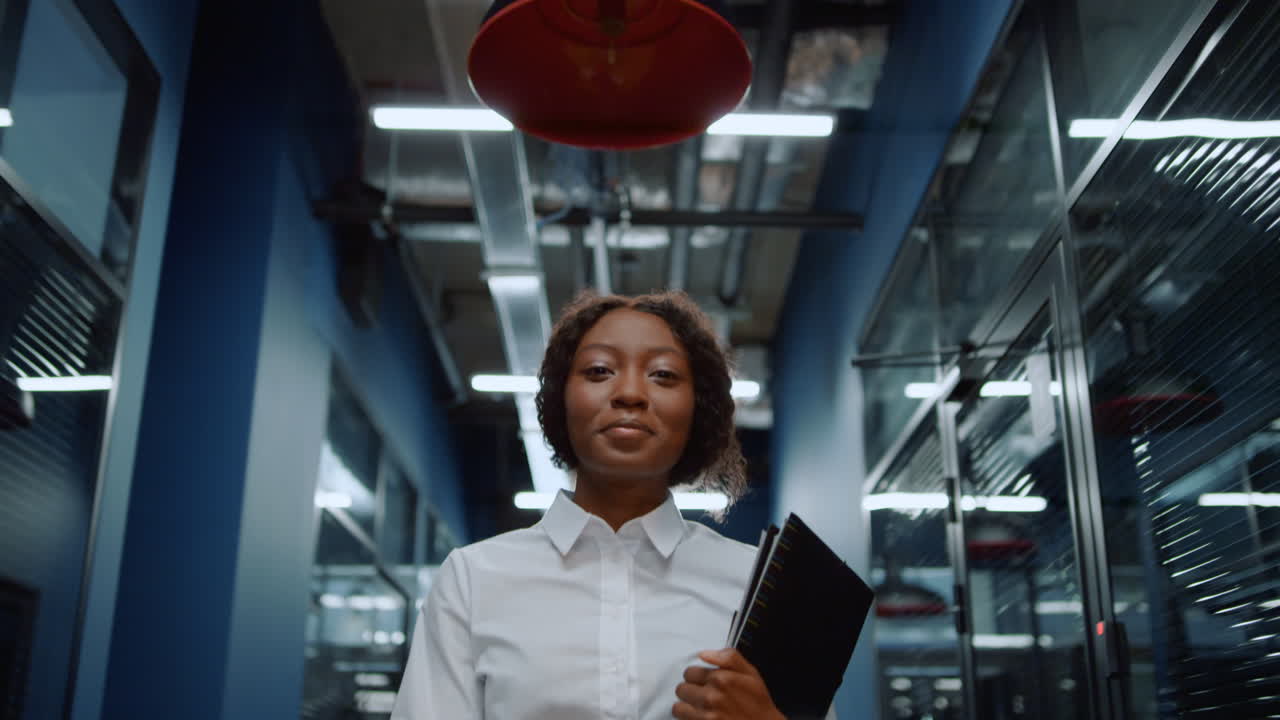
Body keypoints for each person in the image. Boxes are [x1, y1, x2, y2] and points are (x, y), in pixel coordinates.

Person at [391, 291, 833, 719]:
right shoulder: (473, 580)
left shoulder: (758, 586)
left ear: (696, 409)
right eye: (600, 371)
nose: (630, 394)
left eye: (663, 375)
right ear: (563, 401)